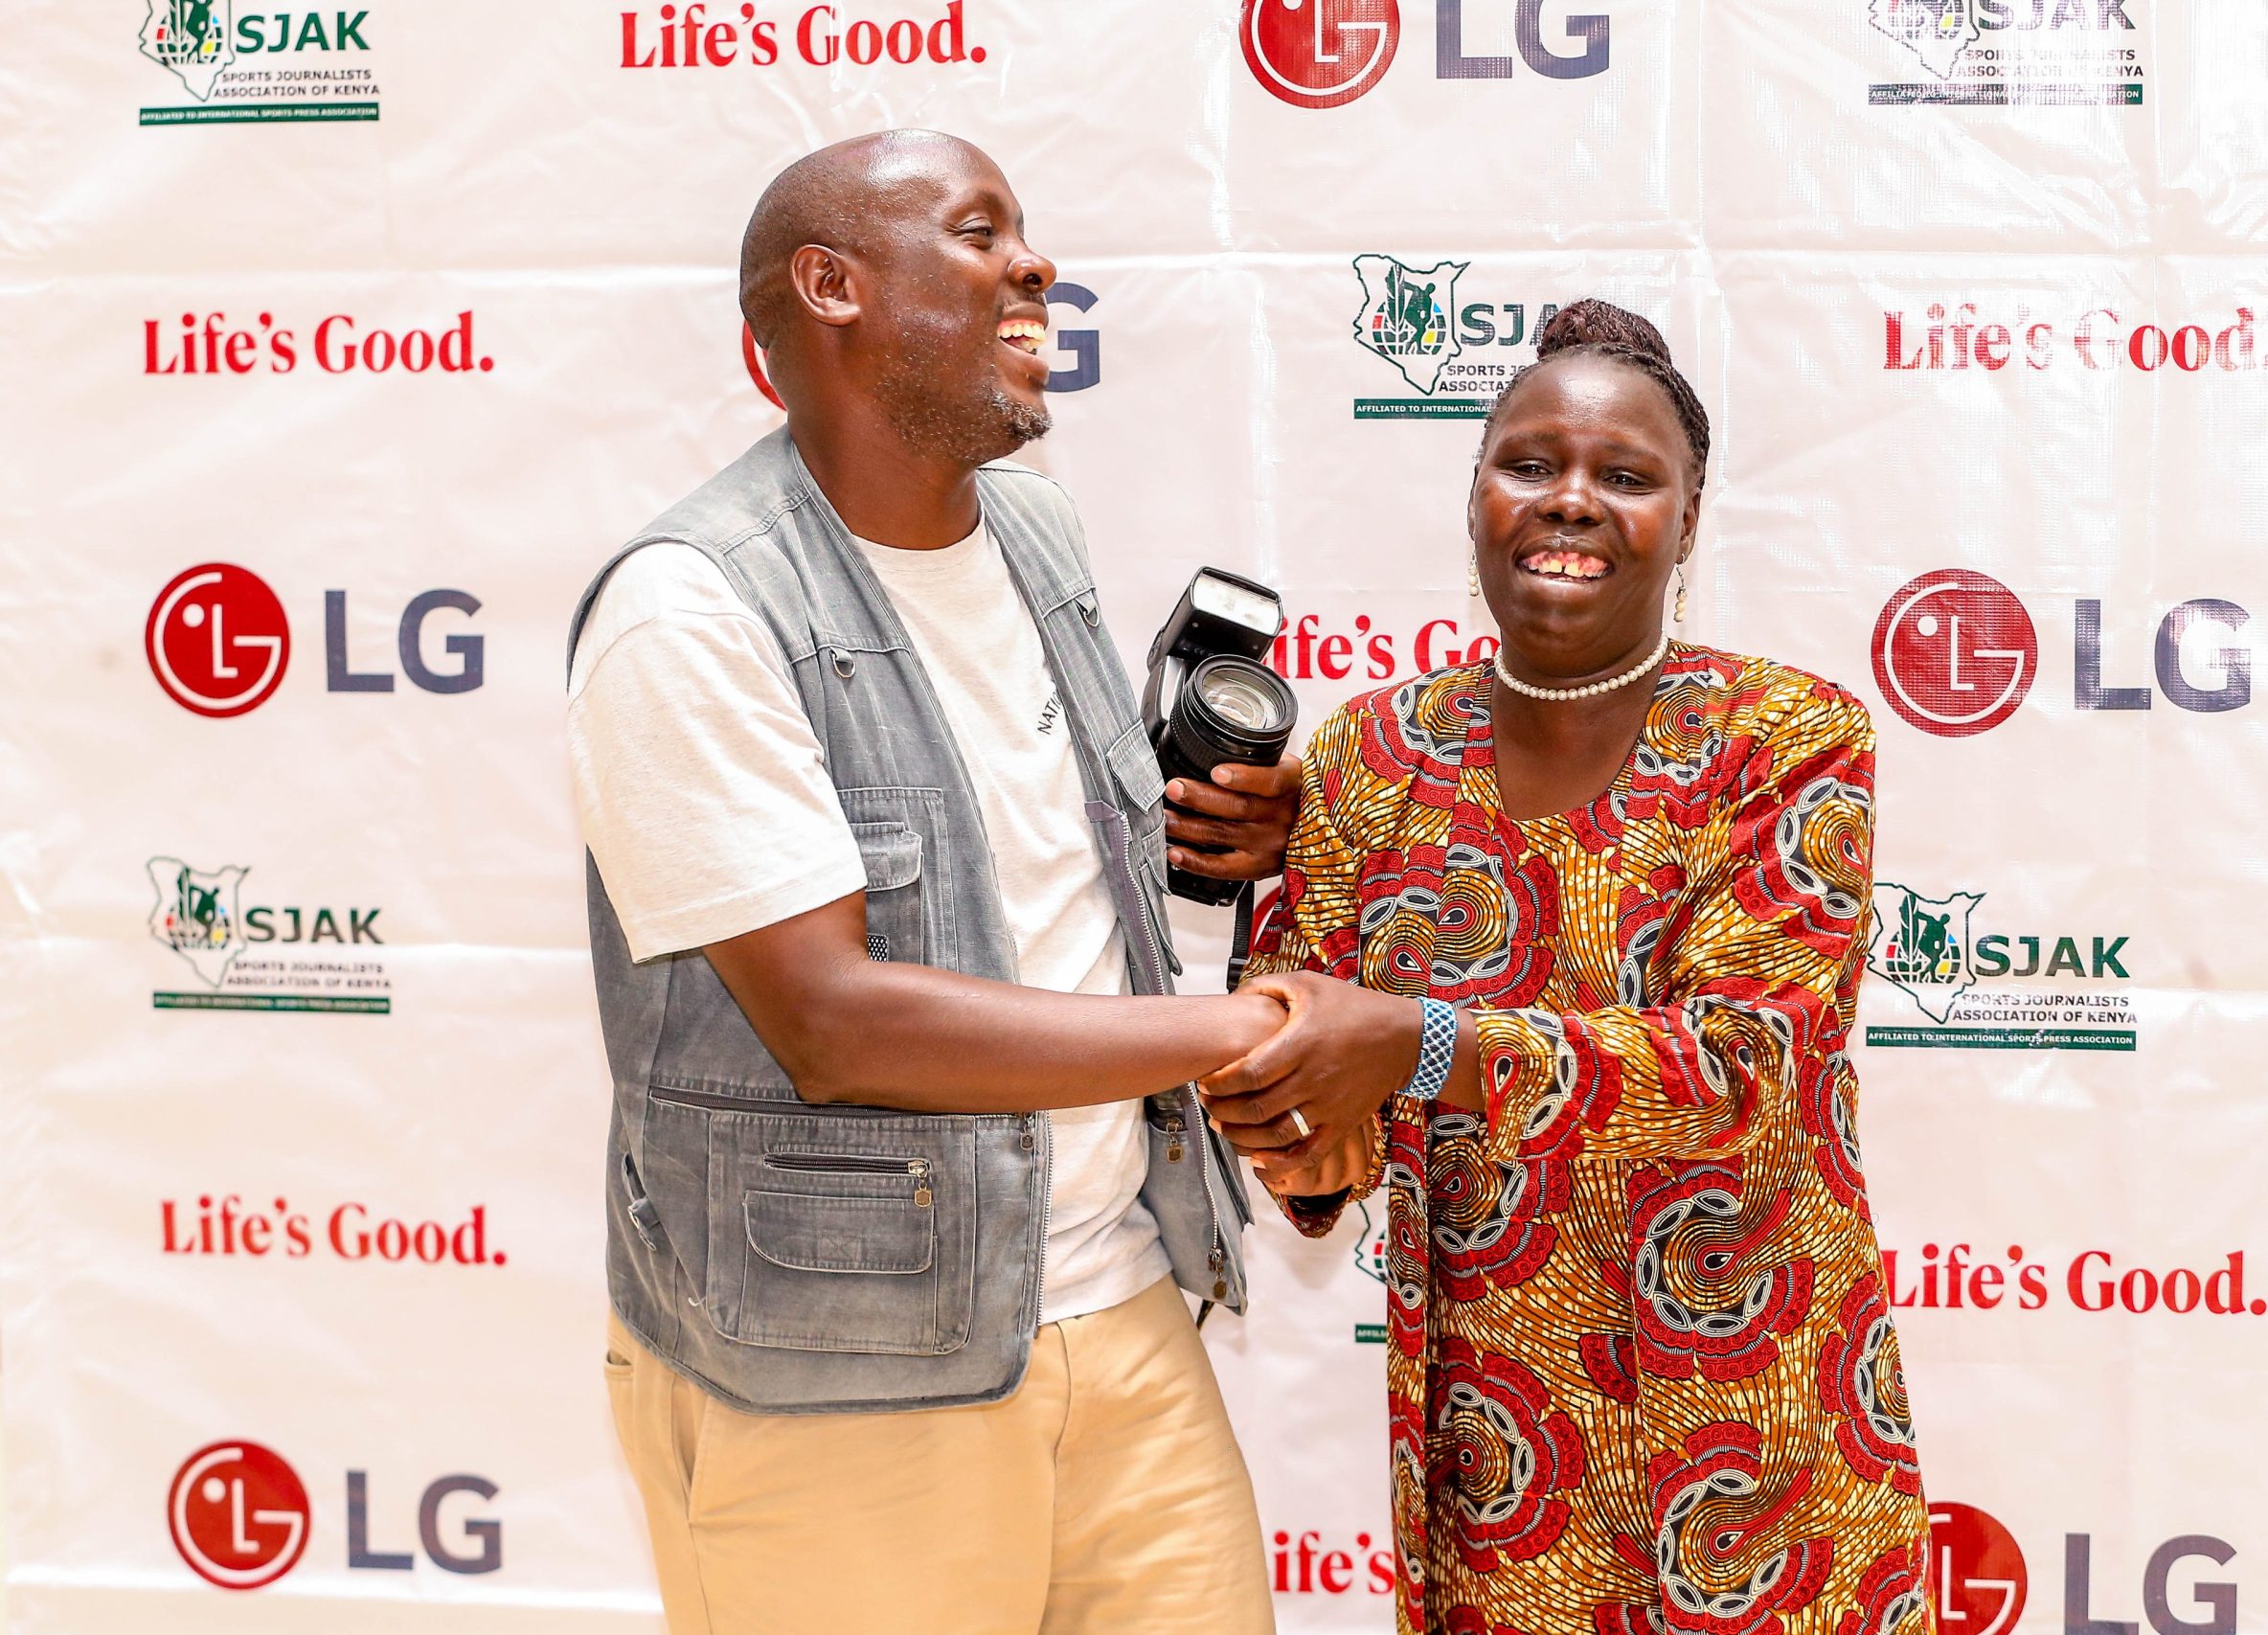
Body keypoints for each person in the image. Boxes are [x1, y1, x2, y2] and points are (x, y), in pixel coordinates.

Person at [564, 130, 1295, 1634]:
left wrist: (1211, 841)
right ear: (830, 286)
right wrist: (1251, 1031)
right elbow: (835, 1021)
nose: (1036, 267)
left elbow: (1028, 870)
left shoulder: (1036, 528)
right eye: (981, 233)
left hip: (1123, 1313)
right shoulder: (688, 609)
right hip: (837, 1382)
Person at [1200, 302, 1937, 1634]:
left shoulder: (1788, 740)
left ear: (1690, 514)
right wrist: (1299, 1127)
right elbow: (1311, 1063)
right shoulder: (1372, 753)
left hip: (1760, 1428)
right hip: (1496, 1458)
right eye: (1530, 465)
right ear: (1476, 490)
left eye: (1625, 475)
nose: (1571, 503)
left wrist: (1413, 1046)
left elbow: (1741, 1069)